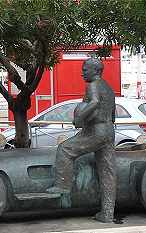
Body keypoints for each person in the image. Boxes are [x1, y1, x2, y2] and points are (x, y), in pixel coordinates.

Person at [47, 57, 116, 223]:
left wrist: (79, 120)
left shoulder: (92, 85)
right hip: (108, 131)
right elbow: (112, 113)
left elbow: (94, 102)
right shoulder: (108, 87)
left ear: (95, 71)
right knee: (108, 173)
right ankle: (107, 214)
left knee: (64, 149)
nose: (82, 73)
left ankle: (62, 186)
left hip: (95, 131)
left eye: (85, 70)